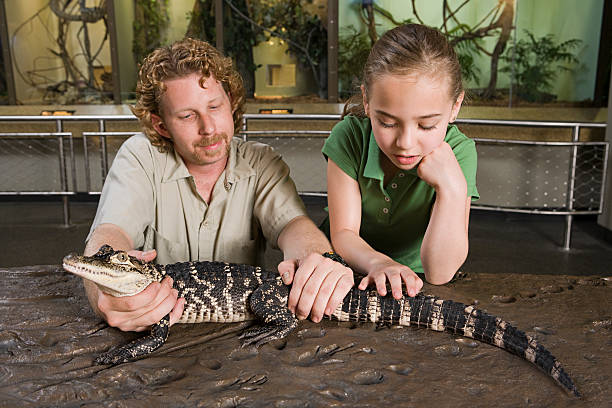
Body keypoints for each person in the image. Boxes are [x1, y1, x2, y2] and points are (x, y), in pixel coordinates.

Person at [83, 38, 353, 332]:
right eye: (187, 116)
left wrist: (318, 261)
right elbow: (110, 234)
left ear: (231, 102)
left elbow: (294, 226)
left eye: (215, 106)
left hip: (238, 335)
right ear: (162, 126)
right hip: (165, 333)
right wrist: (103, 294)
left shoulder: (262, 162)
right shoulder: (140, 156)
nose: (209, 128)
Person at [322, 24, 478, 300]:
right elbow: (344, 233)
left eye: (427, 125)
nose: (405, 142)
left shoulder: (460, 151)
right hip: (344, 272)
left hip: (415, 281)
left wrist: (452, 189)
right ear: (367, 101)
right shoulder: (349, 136)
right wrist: (380, 263)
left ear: (455, 107)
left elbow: (440, 274)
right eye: (387, 122)